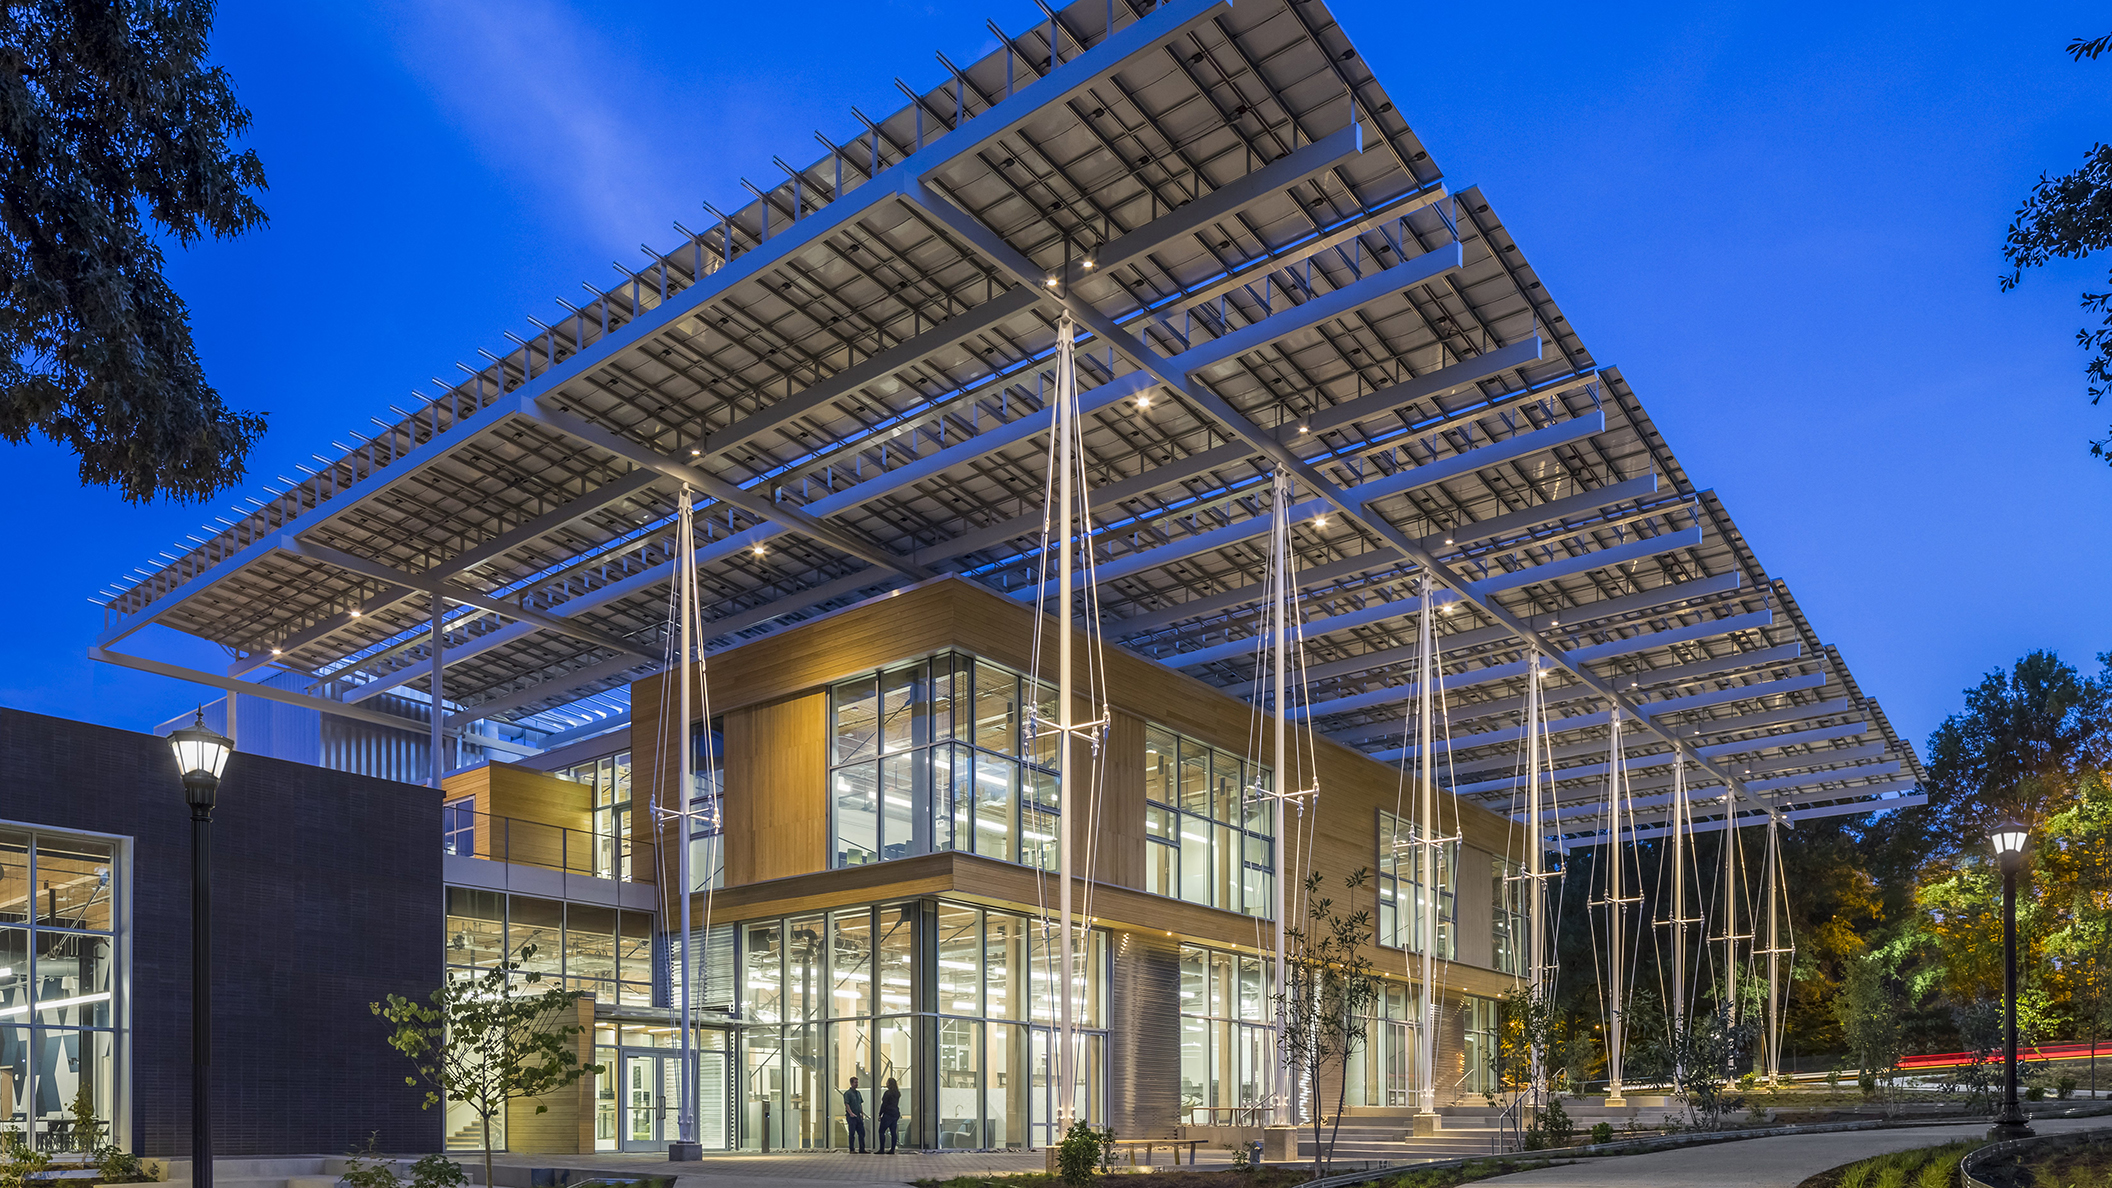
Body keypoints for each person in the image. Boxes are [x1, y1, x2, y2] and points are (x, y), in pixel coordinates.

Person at [876, 1077, 902, 1154]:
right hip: (895, 1113)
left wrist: (880, 1114)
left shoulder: (887, 1093)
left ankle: (881, 1149)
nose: (886, 1083)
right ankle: (892, 1149)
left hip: (888, 1113)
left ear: (889, 1084)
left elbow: (884, 1104)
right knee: (893, 1131)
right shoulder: (897, 1093)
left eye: (887, 1082)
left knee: (881, 1131)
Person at [842, 1076, 867, 1153]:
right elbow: (847, 1104)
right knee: (852, 1133)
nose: (857, 1084)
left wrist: (862, 1113)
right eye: (855, 1082)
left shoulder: (858, 1093)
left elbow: (860, 1104)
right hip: (851, 1117)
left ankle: (862, 1149)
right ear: (851, 1083)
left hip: (858, 1116)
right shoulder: (848, 1093)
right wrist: (851, 1113)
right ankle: (852, 1149)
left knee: (862, 1133)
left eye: (857, 1082)